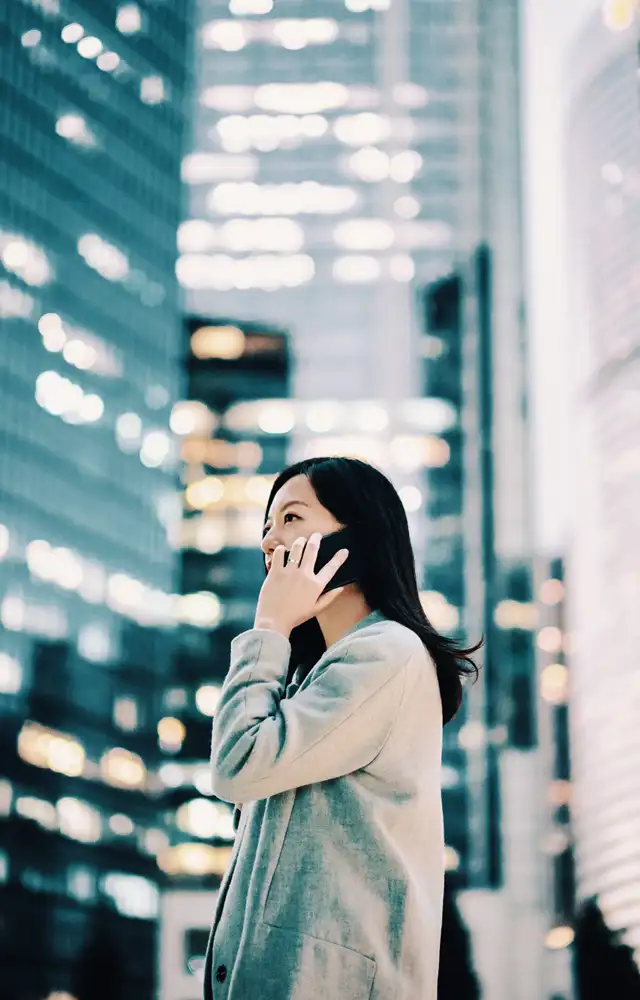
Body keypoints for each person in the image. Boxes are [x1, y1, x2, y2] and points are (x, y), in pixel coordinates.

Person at [203, 456, 480, 1000]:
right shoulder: (312, 675)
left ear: (355, 540)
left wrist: (269, 626)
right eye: (266, 526)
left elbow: (237, 765)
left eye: (291, 519)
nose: (269, 542)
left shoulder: (386, 654)